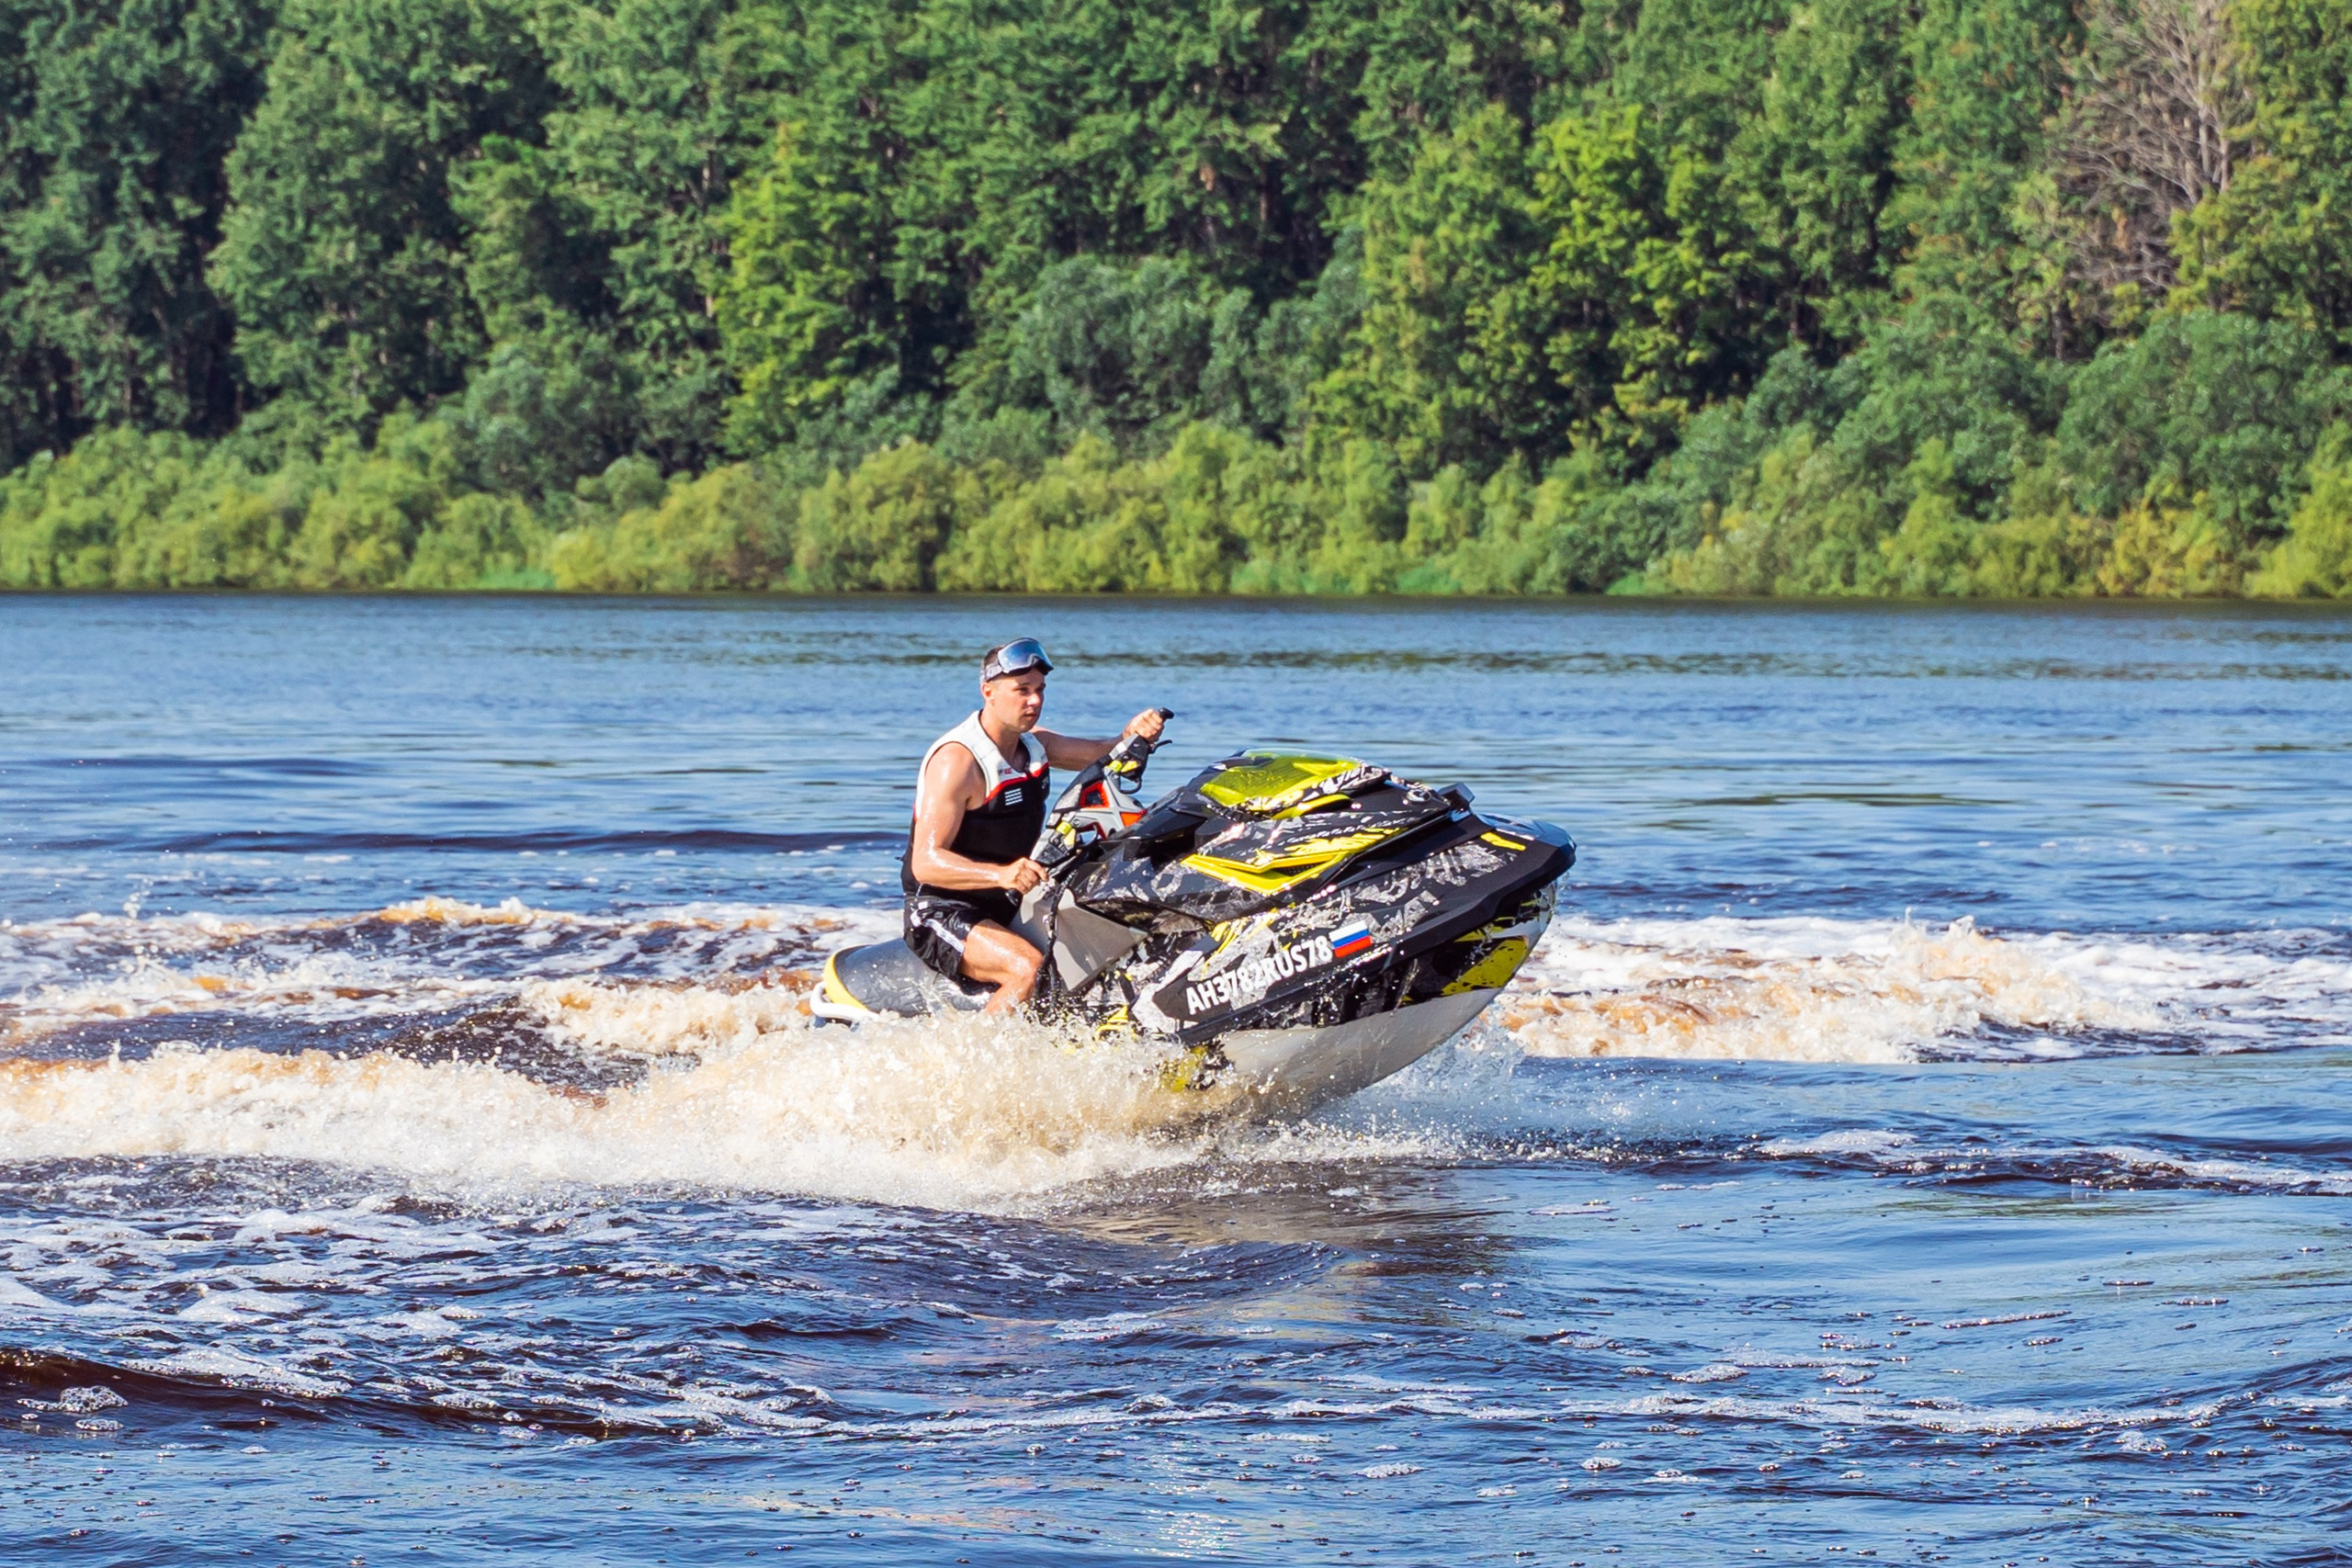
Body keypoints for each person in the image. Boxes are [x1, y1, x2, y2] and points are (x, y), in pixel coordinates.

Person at [902, 638, 1167, 1012]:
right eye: (1021, 691)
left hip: (1008, 899)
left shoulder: (1036, 746)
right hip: (940, 909)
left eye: (1040, 690)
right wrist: (1002, 875)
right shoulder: (958, 763)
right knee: (1027, 968)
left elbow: (1107, 754)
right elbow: (926, 863)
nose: (1034, 701)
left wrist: (1134, 735)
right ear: (988, 692)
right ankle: (979, 1063)